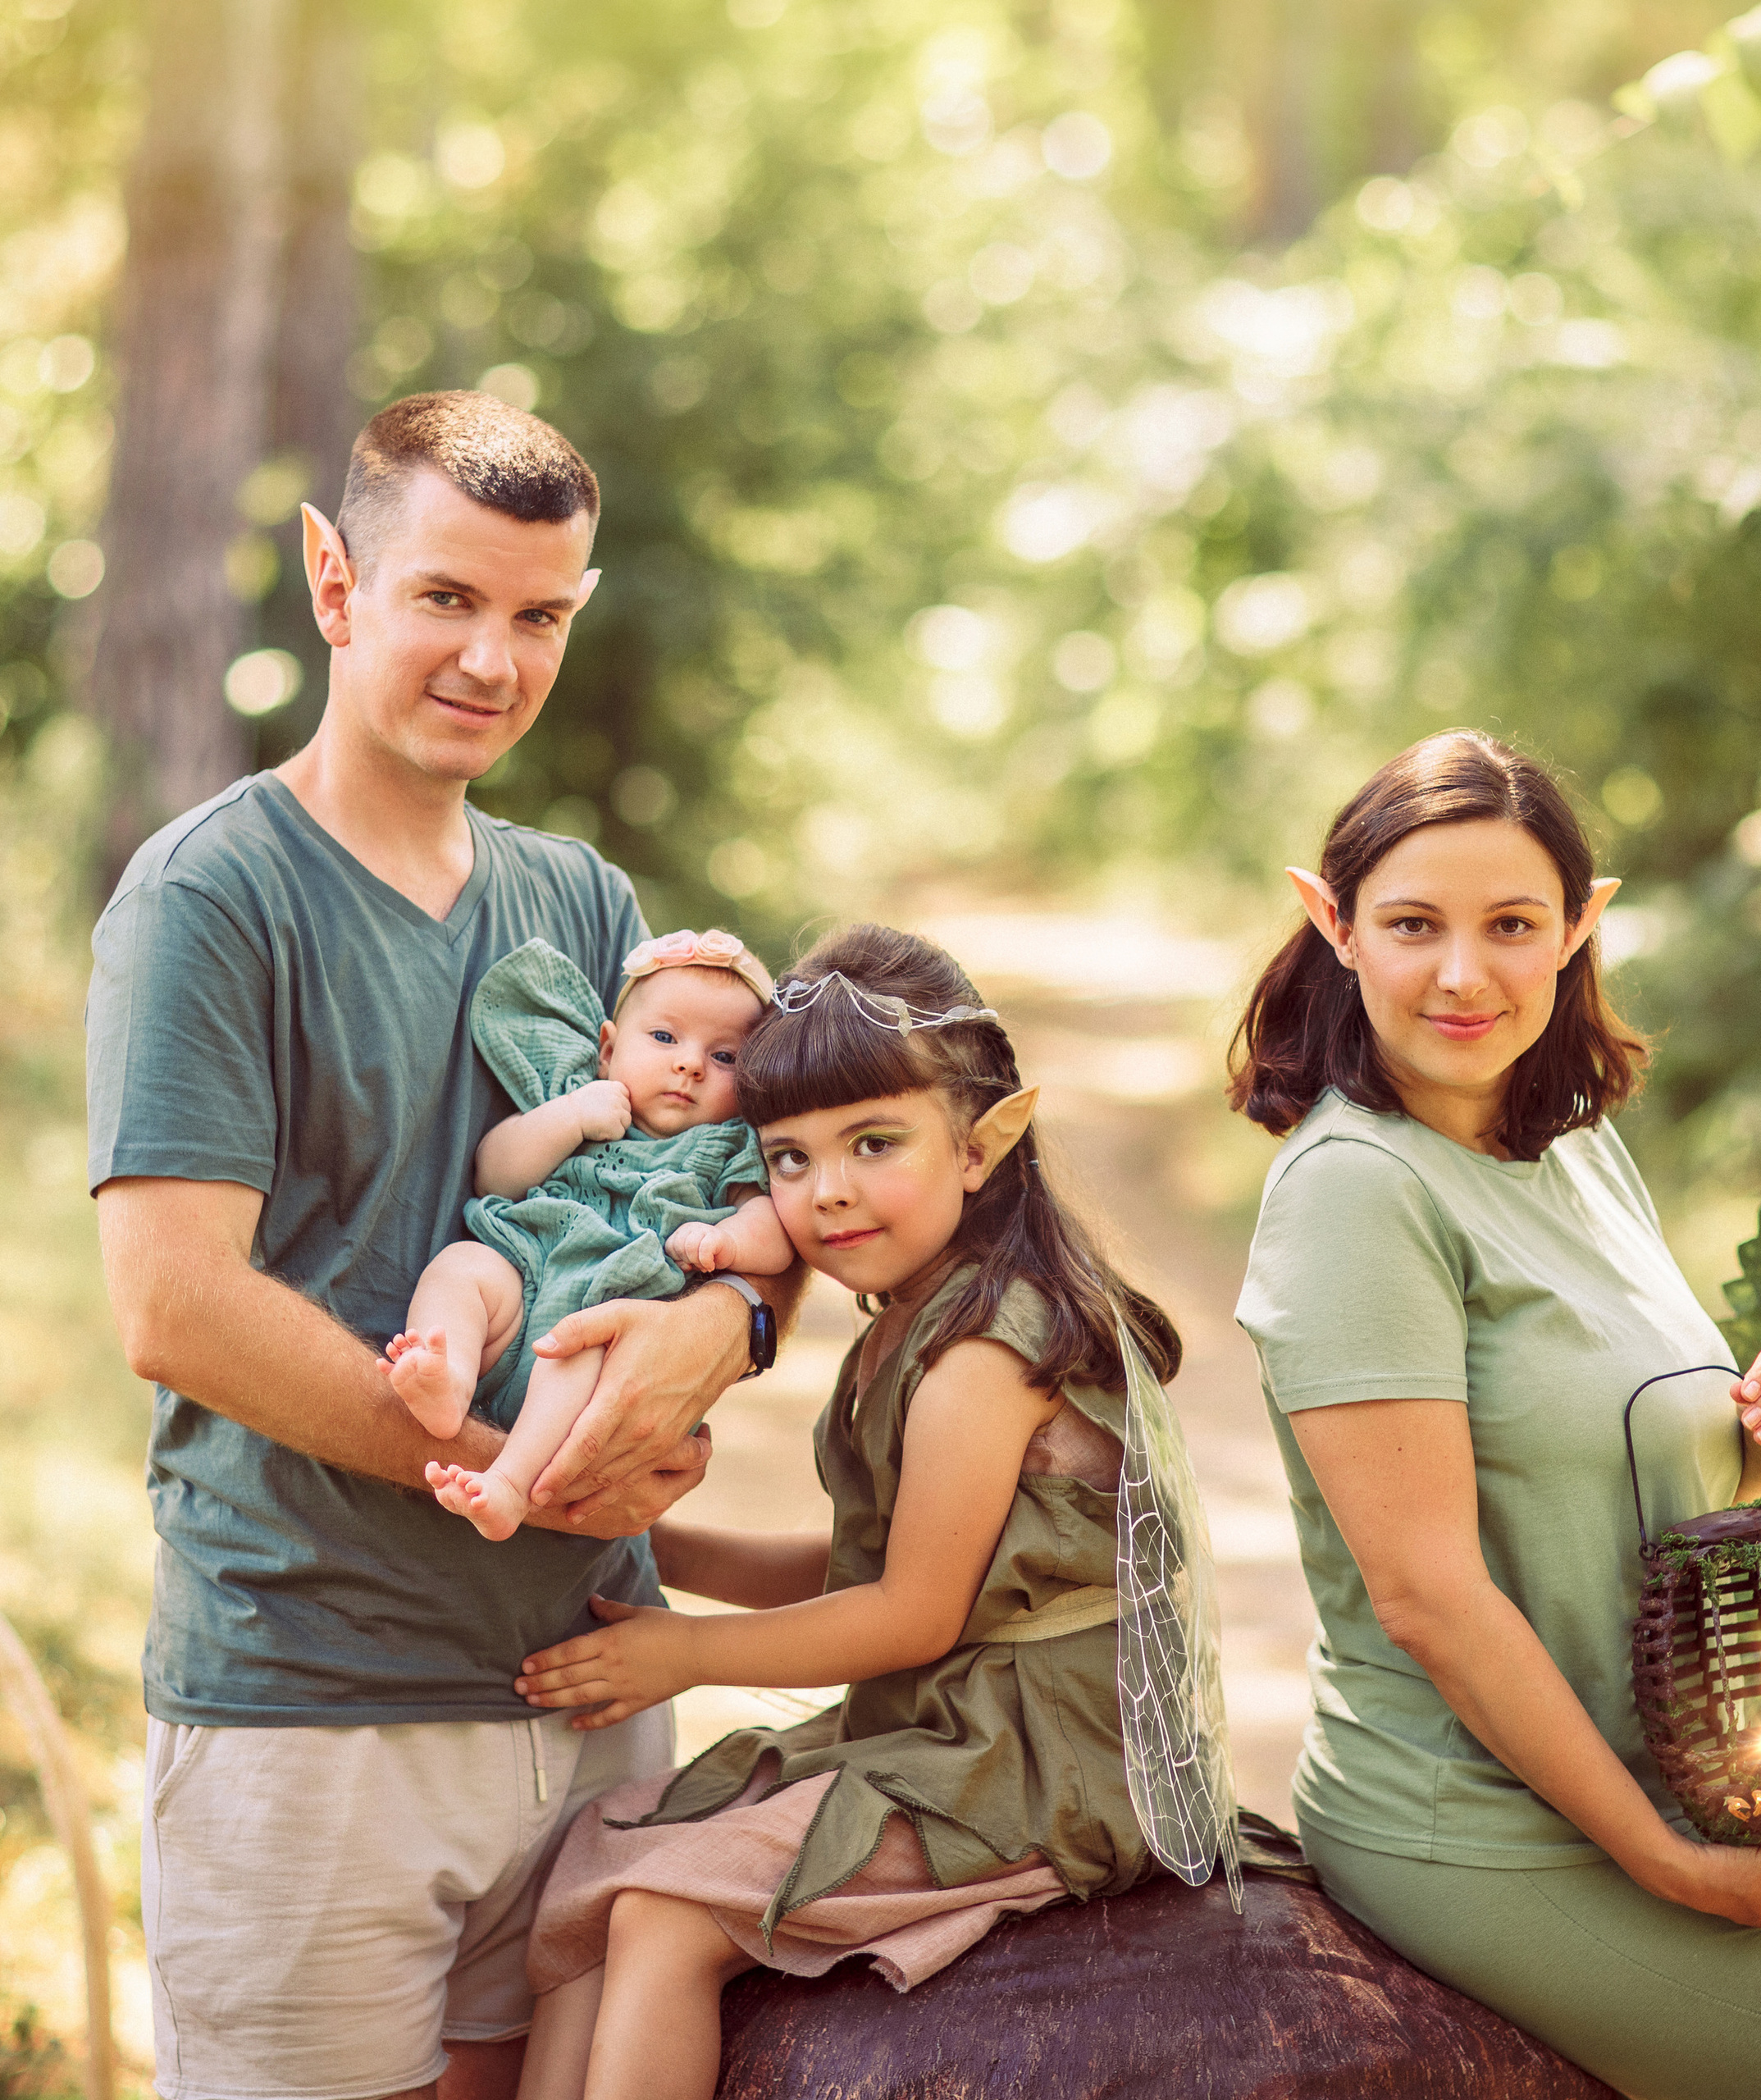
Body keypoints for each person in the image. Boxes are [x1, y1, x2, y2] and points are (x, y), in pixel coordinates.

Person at [87, 390, 801, 2100]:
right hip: (316, 1701)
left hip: (585, 1687)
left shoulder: (587, 908)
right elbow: (176, 1308)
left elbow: (737, 1206)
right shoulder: (210, 899)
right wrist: (512, 1464)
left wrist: (731, 1333)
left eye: (540, 613)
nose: (493, 657)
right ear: (336, 582)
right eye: (447, 598)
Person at [1229, 729, 1761, 2099]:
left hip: (1650, 1790)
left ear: (1583, 927)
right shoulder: (1357, 1193)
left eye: (1513, 925)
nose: (1464, 973)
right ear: (1330, 922)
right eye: (1413, 925)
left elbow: (1608, 1437)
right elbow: (1428, 1599)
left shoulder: (1574, 1141)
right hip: (1489, 1830)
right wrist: (1666, 1860)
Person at [500, 924, 1184, 2100]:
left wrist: (686, 1655)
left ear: (984, 1143)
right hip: (943, 1721)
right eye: (789, 1159)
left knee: (666, 1912)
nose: (829, 1193)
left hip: (1031, 1759)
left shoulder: (983, 1345)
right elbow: (873, 1559)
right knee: (599, 1855)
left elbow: (914, 1611)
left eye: (875, 1144)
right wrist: (650, 1540)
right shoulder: (913, 1314)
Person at [390, 927, 794, 1541]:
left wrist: (729, 1242)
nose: (688, 1063)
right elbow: (493, 1172)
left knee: (581, 1344)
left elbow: (775, 1235)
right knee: (463, 1266)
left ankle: (509, 1483)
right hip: (523, 1281)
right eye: (664, 1037)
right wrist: (569, 1117)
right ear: (607, 1049)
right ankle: (448, 1375)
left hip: (603, 1326)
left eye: (724, 1057)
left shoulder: (728, 1145)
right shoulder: (579, 1104)